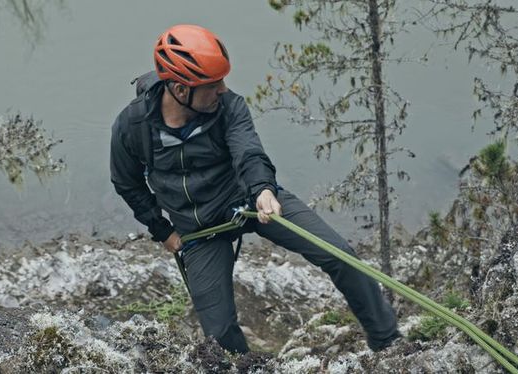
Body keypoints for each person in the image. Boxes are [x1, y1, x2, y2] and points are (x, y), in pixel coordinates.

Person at [110, 24, 400, 353]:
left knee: (341, 256)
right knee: (218, 336)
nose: (222, 89)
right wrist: (162, 230)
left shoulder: (229, 107)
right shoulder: (132, 126)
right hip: (199, 230)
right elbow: (126, 182)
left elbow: (248, 152)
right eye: (212, 84)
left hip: (250, 202)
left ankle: (387, 342)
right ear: (179, 89)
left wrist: (263, 190)